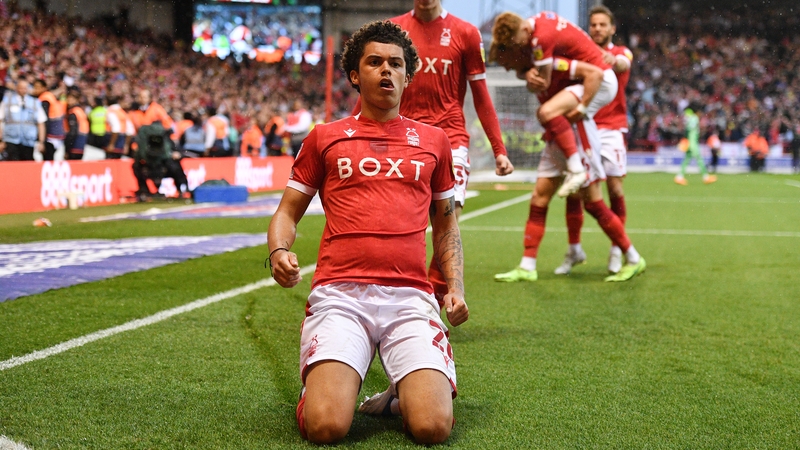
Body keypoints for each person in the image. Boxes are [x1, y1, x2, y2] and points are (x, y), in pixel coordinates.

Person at [267, 20, 467, 445]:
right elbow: (287, 212)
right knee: (327, 427)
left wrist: (455, 288)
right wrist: (278, 251)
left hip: (410, 298)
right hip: (341, 296)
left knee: (432, 428)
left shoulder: (435, 141)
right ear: (356, 75)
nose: (386, 71)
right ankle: (331, 386)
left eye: (396, 64)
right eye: (374, 62)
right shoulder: (325, 138)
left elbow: (446, 222)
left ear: (408, 75)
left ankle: (398, 397)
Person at [491, 56, 646, 283]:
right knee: (539, 198)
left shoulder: (563, 67)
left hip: (579, 137)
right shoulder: (536, 68)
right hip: (555, 140)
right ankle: (527, 265)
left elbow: (597, 73)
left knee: (593, 203)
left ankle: (633, 258)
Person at [490, 10, 618, 197]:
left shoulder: (541, 40)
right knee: (556, 116)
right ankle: (577, 168)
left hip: (599, 80)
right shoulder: (538, 23)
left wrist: (581, 108)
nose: (520, 46)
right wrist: (526, 73)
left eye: (518, 43)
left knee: (547, 112)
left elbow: (542, 83)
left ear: (525, 29)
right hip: (591, 79)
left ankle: (579, 168)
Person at [555, 5, 634, 276]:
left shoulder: (619, 52)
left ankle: (616, 249)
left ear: (612, 28)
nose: (597, 29)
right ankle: (574, 249)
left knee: (614, 188)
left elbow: (624, 62)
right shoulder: (580, 53)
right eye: (594, 25)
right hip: (583, 126)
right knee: (577, 187)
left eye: (603, 25)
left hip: (612, 129)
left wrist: (611, 60)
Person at [0, 79, 47, 161]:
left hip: (29, 141)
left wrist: (41, 141)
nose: (23, 90)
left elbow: (41, 123)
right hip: (11, 140)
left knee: (27, 165)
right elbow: (1, 120)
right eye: (21, 87)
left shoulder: (35, 102)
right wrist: (0, 140)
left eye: (25, 88)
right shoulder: (7, 101)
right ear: (16, 88)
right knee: (12, 165)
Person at [674, 107, 717, 185]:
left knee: (686, 159)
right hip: (692, 142)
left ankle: (679, 177)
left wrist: (685, 139)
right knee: (699, 159)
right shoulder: (694, 118)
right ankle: (706, 177)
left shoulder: (689, 118)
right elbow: (690, 130)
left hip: (690, 141)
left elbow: (687, 130)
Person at [32, 79, 66, 161]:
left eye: (38, 87)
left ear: (44, 88)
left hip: (50, 134)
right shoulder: (49, 96)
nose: (36, 90)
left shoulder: (44, 99)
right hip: (57, 133)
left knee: (47, 158)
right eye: (35, 87)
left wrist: (42, 140)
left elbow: (44, 120)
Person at [64, 88, 89, 160]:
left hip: (74, 145)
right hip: (81, 145)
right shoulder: (80, 111)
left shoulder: (73, 112)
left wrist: (67, 149)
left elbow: (72, 132)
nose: (68, 101)